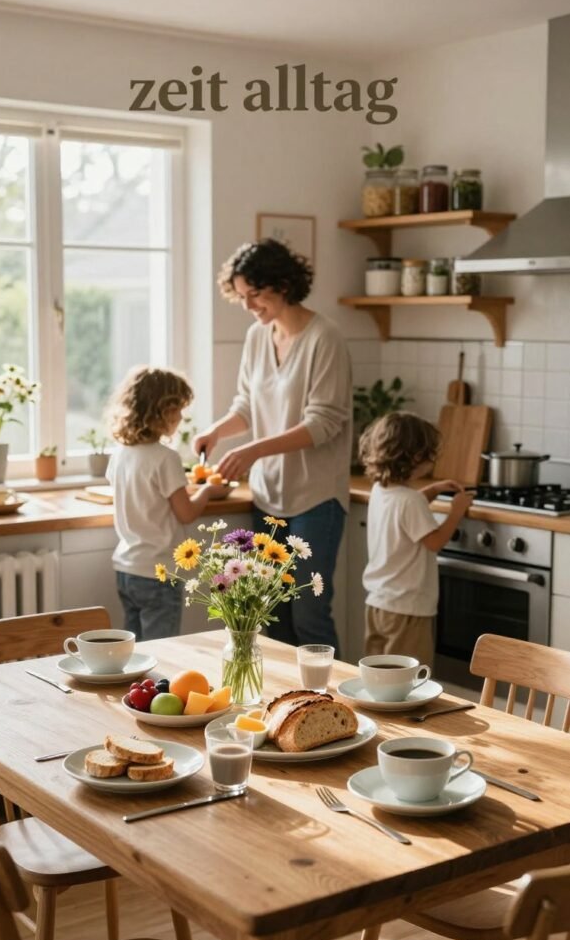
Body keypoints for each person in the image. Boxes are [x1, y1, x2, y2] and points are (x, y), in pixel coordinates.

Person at [193, 239, 352, 656]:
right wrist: (217, 431)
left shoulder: (325, 338)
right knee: (269, 610)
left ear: (283, 284)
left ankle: (327, 705)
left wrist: (254, 451)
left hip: (315, 498)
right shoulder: (257, 336)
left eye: (255, 294)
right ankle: (282, 704)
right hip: (267, 497)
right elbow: (246, 404)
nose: (249, 306)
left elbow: (324, 423)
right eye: (242, 296)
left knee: (309, 612)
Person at [107, 366, 215, 641]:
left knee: (134, 653)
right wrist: (207, 491)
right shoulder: (165, 458)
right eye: (178, 408)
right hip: (158, 573)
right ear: (161, 411)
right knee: (162, 651)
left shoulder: (120, 454)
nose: (181, 416)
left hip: (127, 568)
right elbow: (186, 512)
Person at [359, 411, 474, 667]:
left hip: (379, 603)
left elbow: (404, 513)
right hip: (407, 610)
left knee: (378, 676)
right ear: (416, 457)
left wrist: (432, 490)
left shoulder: (382, 490)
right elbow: (434, 542)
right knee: (407, 682)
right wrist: (456, 512)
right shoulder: (410, 501)